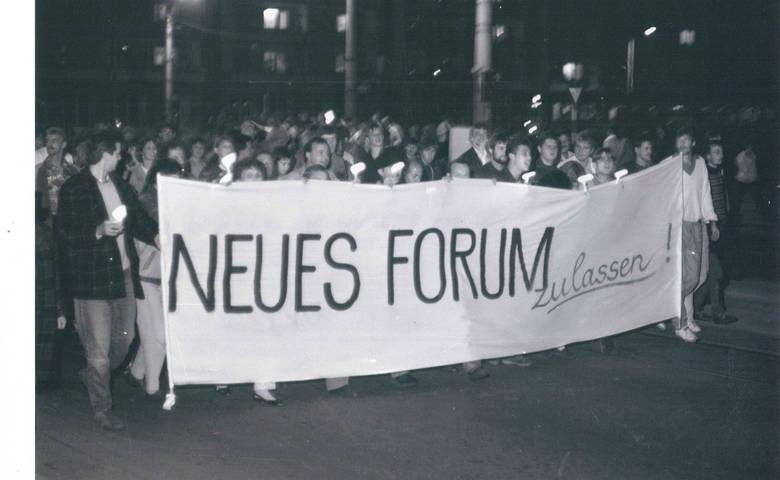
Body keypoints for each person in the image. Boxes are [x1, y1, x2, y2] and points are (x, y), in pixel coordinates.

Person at [57, 131, 159, 430]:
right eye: (118, 153)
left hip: (123, 273)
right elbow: (64, 232)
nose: (122, 158)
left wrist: (154, 235)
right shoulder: (74, 188)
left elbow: (137, 218)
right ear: (106, 154)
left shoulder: (120, 185)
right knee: (99, 351)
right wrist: (98, 230)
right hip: (90, 279)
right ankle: (102, 408)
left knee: (125, 340)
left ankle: (92, 374)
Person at [126, 159, 183, 398]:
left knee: (151, 330)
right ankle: (152, 385)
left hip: (164, 276)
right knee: (159, 333)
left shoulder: (172, 203)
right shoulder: (146, 206)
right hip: (146, 275)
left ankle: (138, 373)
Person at [664, 127, 718, 342]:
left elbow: (705, 192)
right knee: (689, 277)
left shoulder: (701, 163)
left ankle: (682, 314)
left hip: (697, 224)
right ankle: (679, 322)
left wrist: (711, 220)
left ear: (693, 142)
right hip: (679, 226)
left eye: (687, 139)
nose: (683, 143)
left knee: (699, 276)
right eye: (680, 139)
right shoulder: (669, 164)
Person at [694, 141, 736, 325]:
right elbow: (705, 203)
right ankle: (716, 312)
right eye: (716, 152)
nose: (721, 155)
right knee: (716, 273)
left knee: (712, 273)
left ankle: (696, 308)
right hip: (711, 229)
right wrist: (713, 225)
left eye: (721, 152)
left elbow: (722, 198)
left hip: (720, 228)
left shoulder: (719, 172)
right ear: (708, 156)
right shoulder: (705, 176)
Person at [35, 127, 80, 222]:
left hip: (71, 221)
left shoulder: (73, 171)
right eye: (47, 140)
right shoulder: (39, 170)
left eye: (54, 140)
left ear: (63, 144)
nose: (49, 144)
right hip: (48, 224)